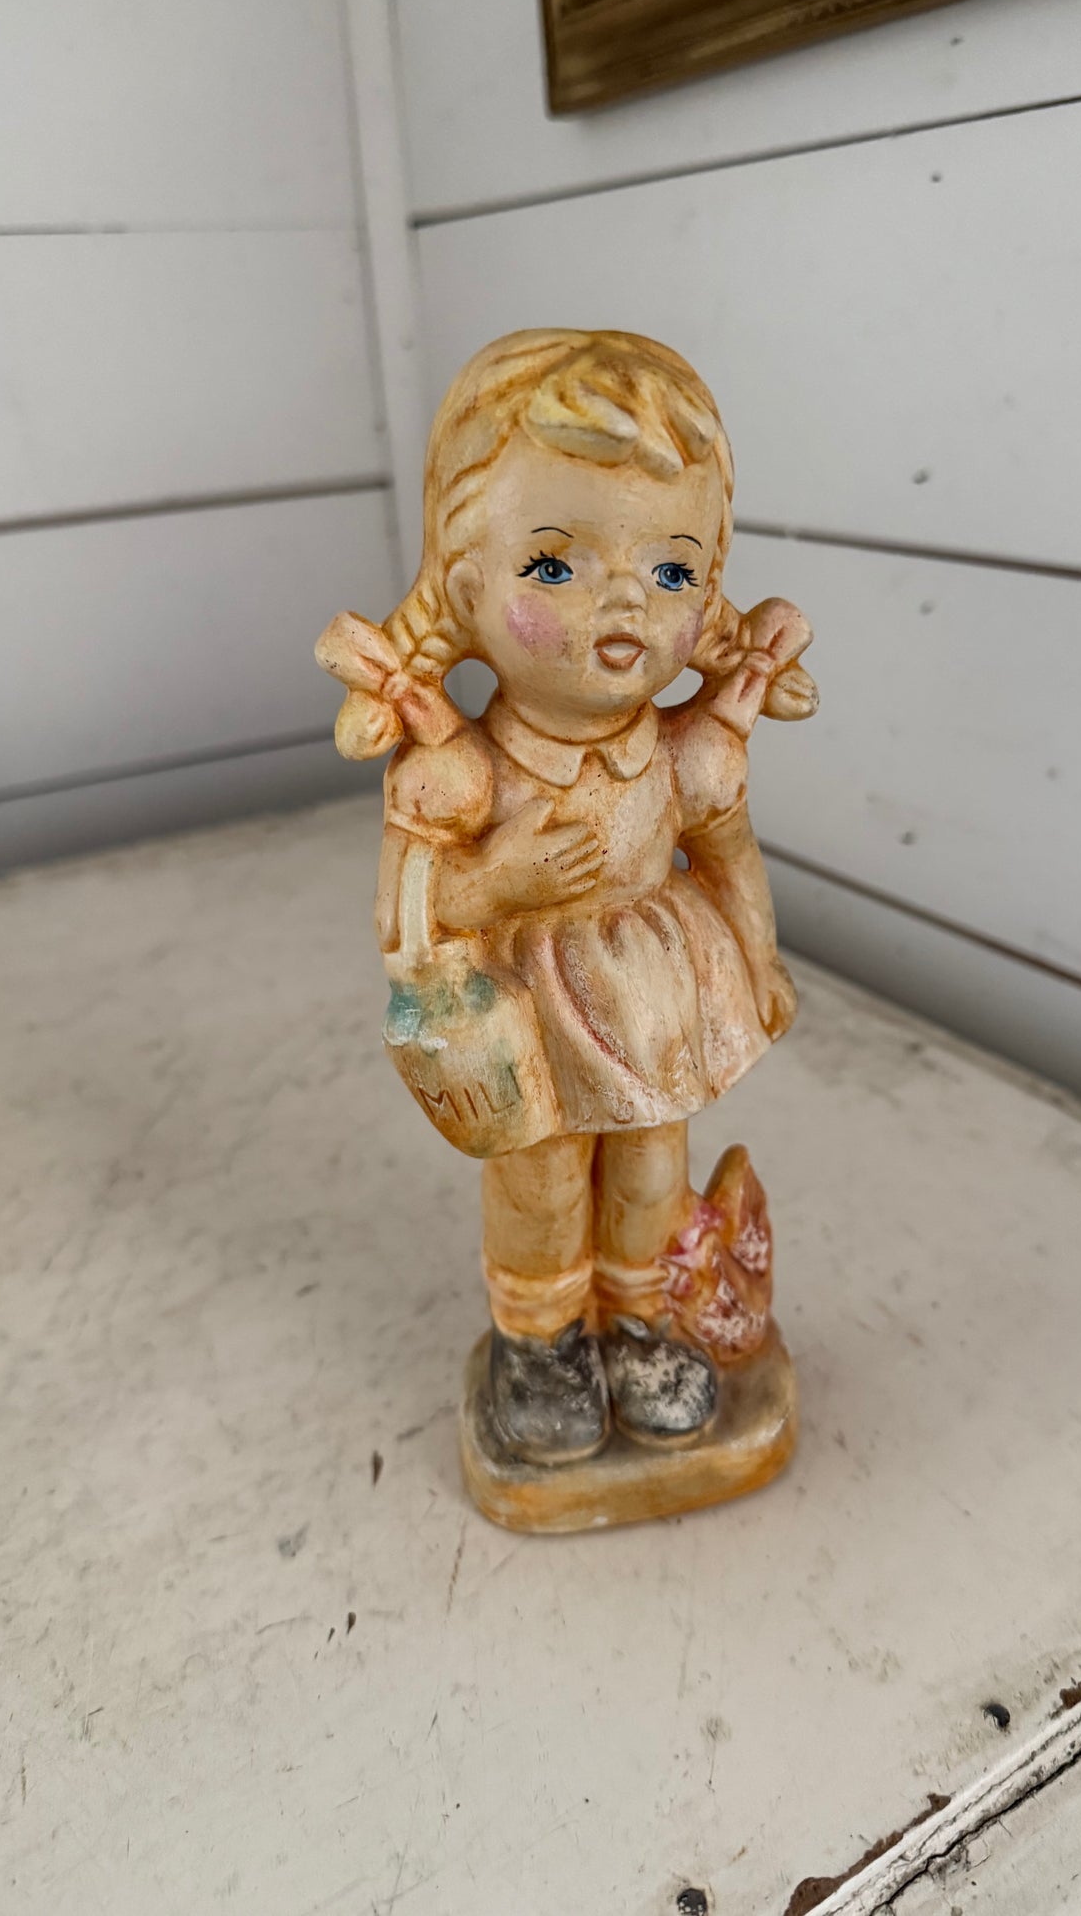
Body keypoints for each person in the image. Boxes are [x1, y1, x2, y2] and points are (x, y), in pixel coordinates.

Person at [316, 328, 816, 1466]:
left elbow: (728, 851)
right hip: (526, 1004)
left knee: (652, 1162)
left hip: (654, 998)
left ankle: (638, 1320)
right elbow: (411, 906)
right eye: (555, 565)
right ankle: (539, 1338)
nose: (622, 605)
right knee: (541, 1180)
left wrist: (761, 955)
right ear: (464, 584)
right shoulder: (464, 775)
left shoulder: (687, 756)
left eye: (670, 570)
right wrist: (498, 878)